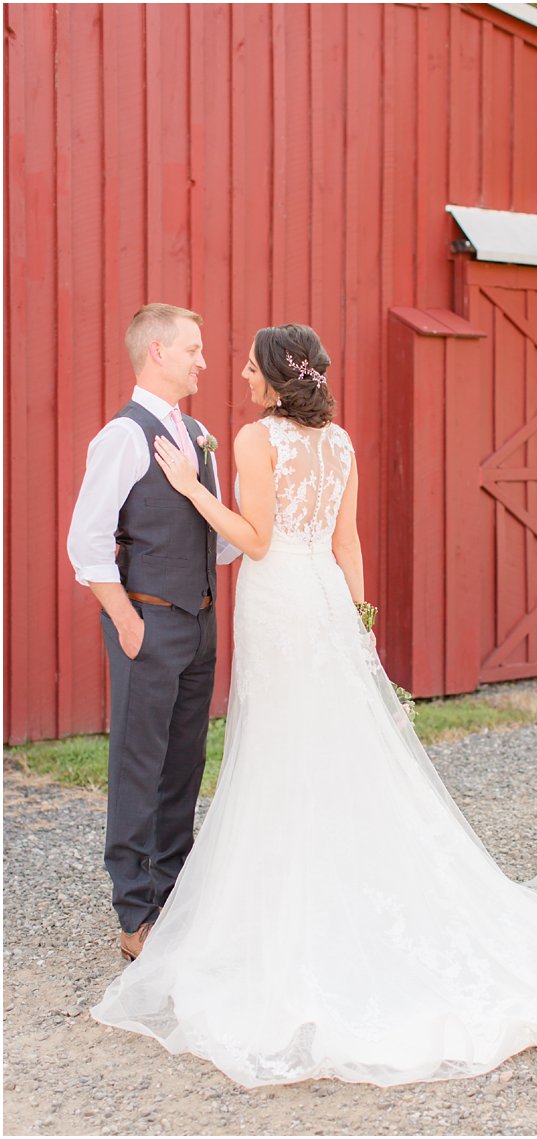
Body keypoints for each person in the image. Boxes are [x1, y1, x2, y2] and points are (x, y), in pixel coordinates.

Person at [91, 323, 537, 1087]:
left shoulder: (251, 439)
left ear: (270, 377)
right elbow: (349, 543)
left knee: (279, 751)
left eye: (246, 363)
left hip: (279, 605)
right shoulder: (341, 444)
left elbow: (257, 541)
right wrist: (357, 626)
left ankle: (285, 913)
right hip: (326, 605)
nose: (233, 370)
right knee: (331, 750)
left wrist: (192, 488)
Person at [67, 303, 243, 962]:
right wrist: (127, 621)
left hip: (199, 621)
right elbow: (85, 542)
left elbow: (221, 542)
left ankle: (173, 891)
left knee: (183, 762)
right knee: (139, 763)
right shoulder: (123, 435)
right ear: (157, 353)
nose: (203, 360)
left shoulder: (198, 433)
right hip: (148, 620)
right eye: (193, 349)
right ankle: (135, 911)